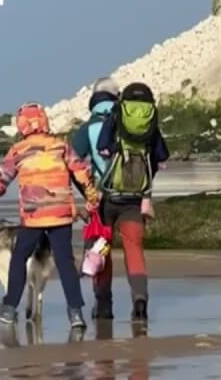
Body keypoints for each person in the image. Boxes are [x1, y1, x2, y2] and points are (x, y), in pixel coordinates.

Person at [0, 102, 100, 330]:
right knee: (65, 261)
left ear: (23, 124)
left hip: (33, 215)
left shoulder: (18, 150)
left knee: (20, 257)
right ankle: (76, 313)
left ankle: (9, 308)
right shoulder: (61, 146)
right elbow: (82, 173)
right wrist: (92, 200)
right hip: (61, 214)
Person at [72, 80, 169, 322]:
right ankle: (140, 300)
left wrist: (87, 194)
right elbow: (159, 158)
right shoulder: (144, 124)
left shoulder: (89, 129)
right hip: (135, 199)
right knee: (133, 248)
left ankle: (104, 306)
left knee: (100, 249)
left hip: (104, 201)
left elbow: (72, 164)